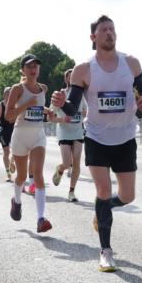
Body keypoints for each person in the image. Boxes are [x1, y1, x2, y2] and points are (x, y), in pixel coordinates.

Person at [52, 15, 142, 272]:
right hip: (96, 137)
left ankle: (102, 211)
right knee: (103, 191)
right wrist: (63, 104)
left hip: (126, 136)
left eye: (112, 29)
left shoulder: (131, 63)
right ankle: (106, 251)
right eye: (104, 30)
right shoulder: (84, 69)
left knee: (127, 196)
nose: (110, 33)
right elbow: (73, 105)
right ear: (93, 37)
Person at [5, 55, 52, 233]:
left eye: (36, 66)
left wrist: (48, 112)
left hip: (38, 135)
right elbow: (9, 116)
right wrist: (26, 104)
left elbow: (38, 108)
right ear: (23, 70)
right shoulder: (17, 89)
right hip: (20, 136)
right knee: (22, 177)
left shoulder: (43, 89)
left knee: (38, 175)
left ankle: (41, 219)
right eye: (29, 67)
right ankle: (16, 201)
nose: (33, 70)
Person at [51, 68, 86, 203]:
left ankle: (71, 192)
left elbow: (86, 111)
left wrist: (83, 114)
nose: (72, 79)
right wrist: (62, 119)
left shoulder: (81, 95)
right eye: (70, 77)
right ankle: (60, 169)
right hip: (64, 131)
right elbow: (51, 117)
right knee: (67, 163)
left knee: (76, 162)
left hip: (78, 131)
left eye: (74, 77)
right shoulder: (60, 94)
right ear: (66, 79)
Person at [0, 87, 15, 182]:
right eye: (7, 93)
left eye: (11, 93)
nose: (9, 94)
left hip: (15, 130)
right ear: (4, 95)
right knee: (6, 151)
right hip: (4, 131)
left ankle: (12, 161)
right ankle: (8, 173)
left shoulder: (16, 104)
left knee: (16, 151)